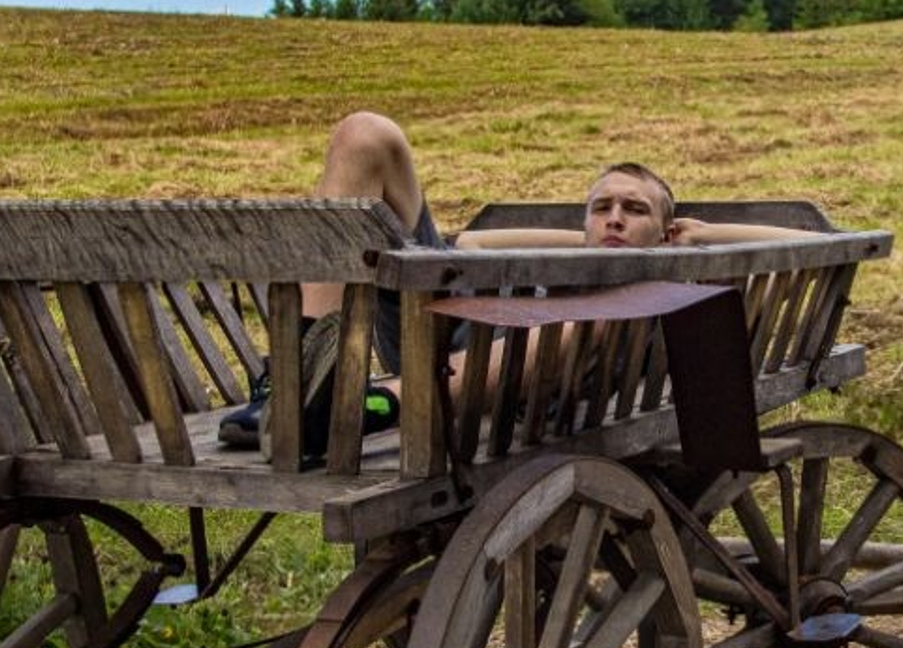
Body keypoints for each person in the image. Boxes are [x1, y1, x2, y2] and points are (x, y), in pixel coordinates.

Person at [218, 111, 812, 453]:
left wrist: (698, 235)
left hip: (519, 373)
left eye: (633, 209)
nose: (612, 216)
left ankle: (366, 406)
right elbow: (469, 246)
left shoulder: (666, 281)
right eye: (600, 206)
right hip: (442, 332)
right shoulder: (571, 247)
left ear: (664, 228)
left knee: (596, 318)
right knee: (365, 134)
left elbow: (816, 250)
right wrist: (581, 242)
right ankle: (293, 385)